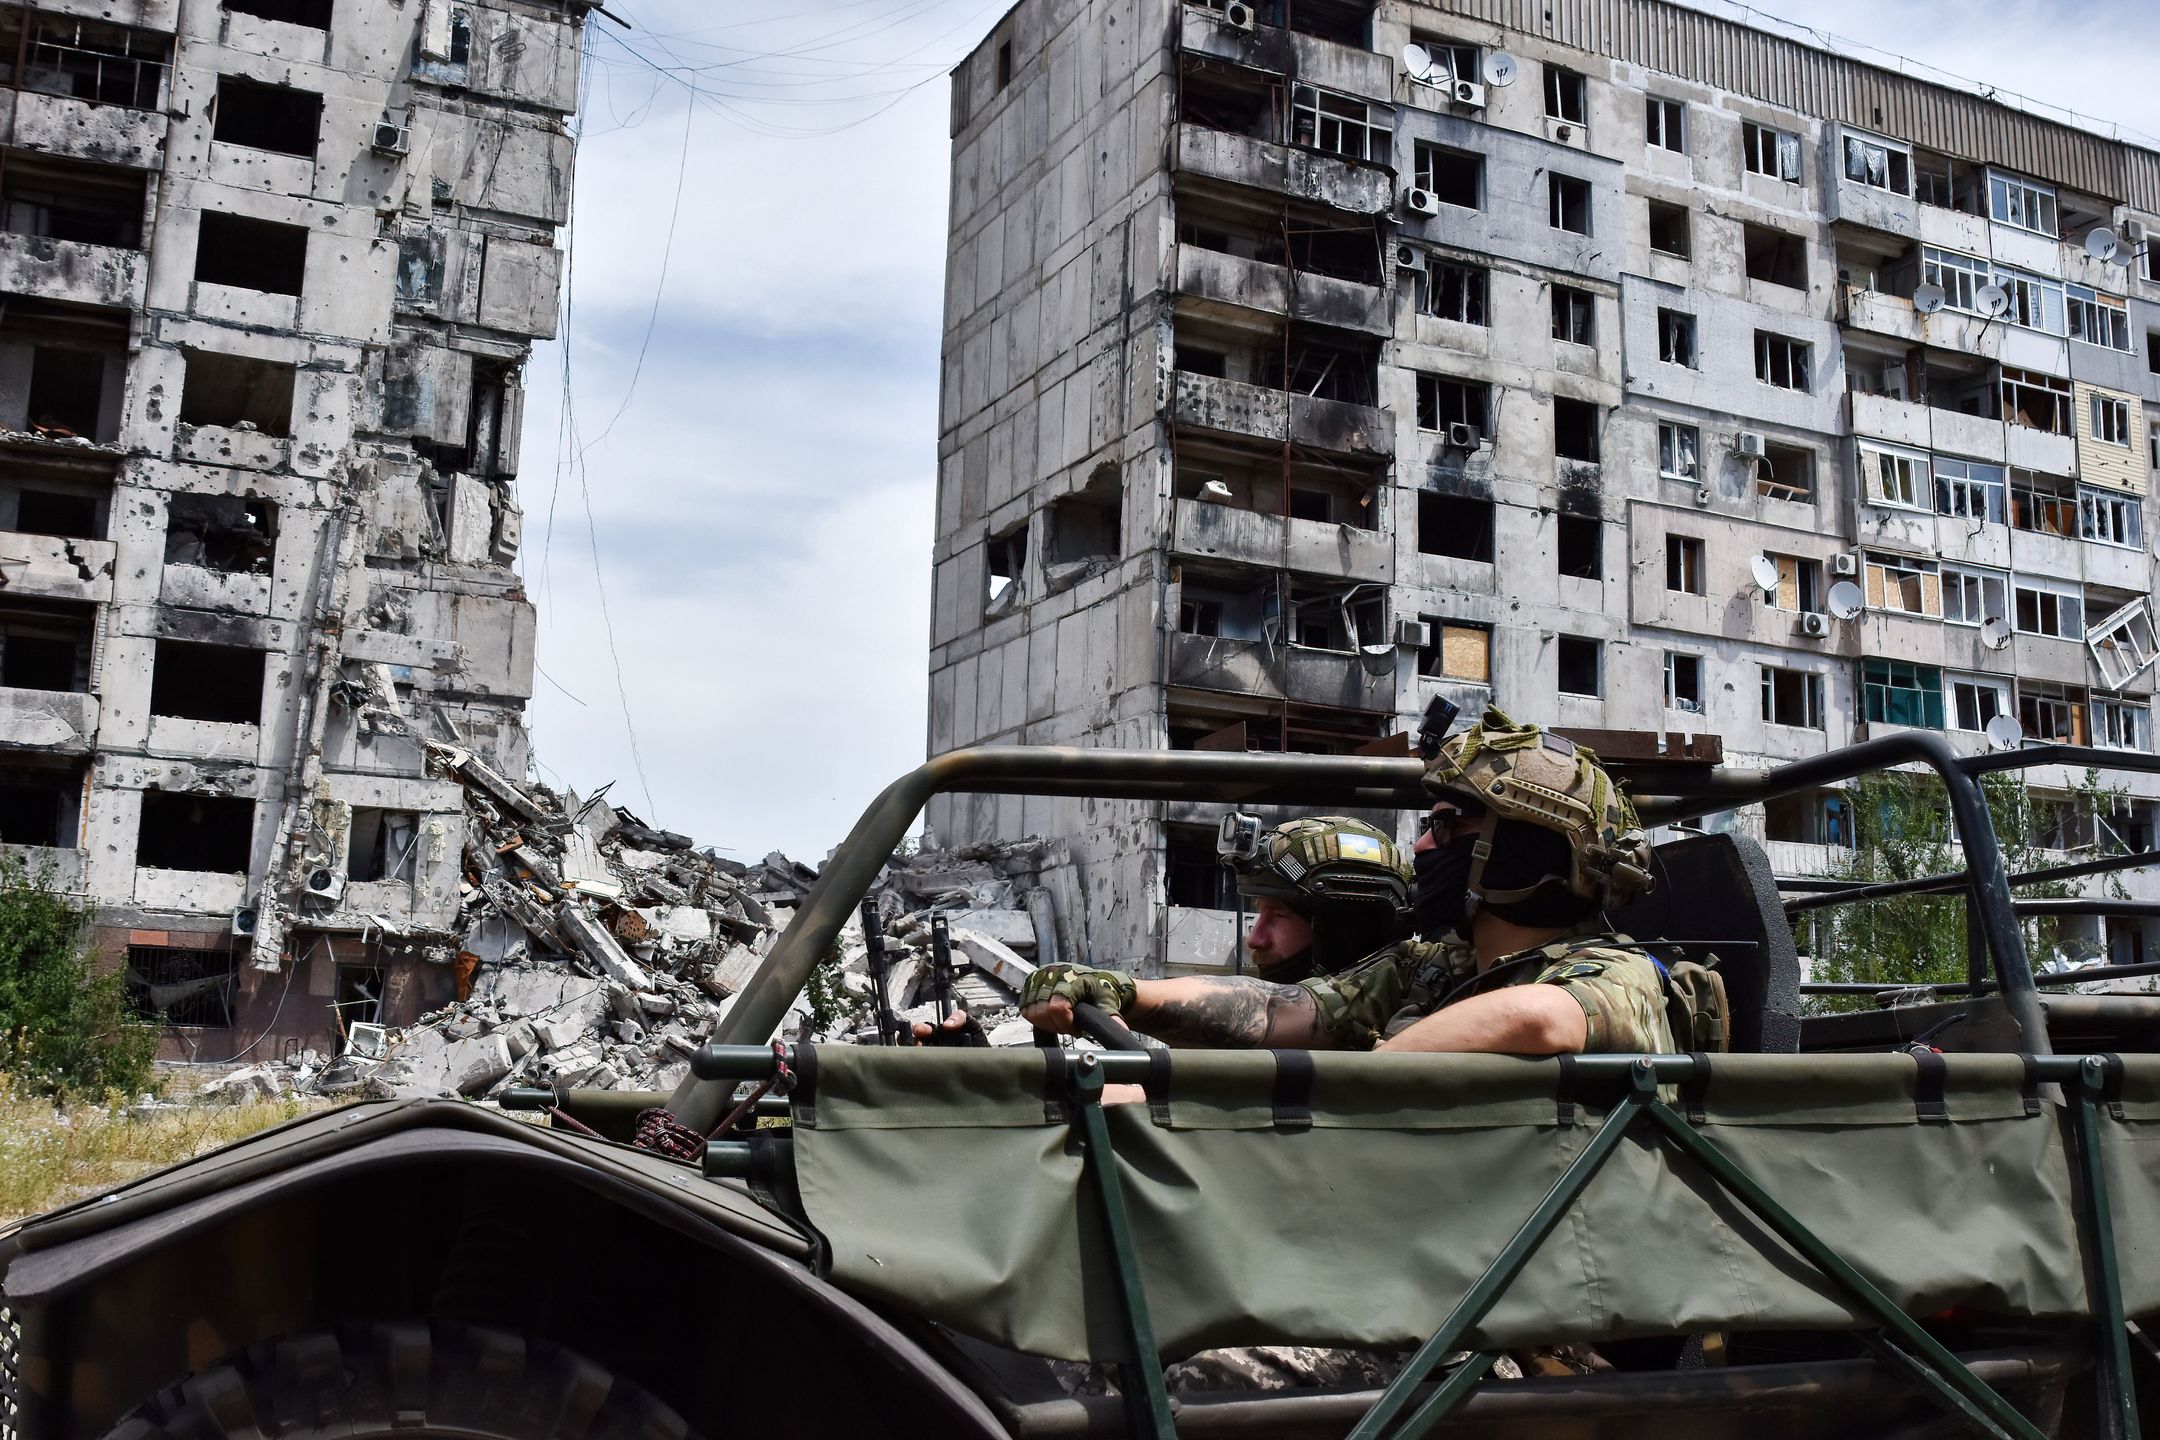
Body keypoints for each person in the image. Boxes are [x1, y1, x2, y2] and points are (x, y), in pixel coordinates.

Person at [1022, 707, 1673, 1056]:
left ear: (1530, 846)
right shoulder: (1435, 967)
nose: (1420, 845)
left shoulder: (1614, 975)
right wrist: (1127, 995)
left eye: (1446, 827)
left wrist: (1370, 1078)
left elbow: (1541, 1019)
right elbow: (1286, 1011)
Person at [1223, 816, 1413, 983]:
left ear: (1346, 932)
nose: (1254, 939)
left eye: (1277, 915)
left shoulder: (1411, 1020)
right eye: (1260, 912)